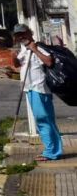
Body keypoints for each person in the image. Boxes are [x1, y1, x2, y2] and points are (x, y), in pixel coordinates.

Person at [14, 23, 63, 161]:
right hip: (30, 89)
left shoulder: (38, 47)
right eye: (18, 35)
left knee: (43, 120)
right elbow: (18, 65)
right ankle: (53, 150)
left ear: (30, 33)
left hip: (39, 89)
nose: (20, 37)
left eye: (23, 33)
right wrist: (14, 59)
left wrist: (35, 50)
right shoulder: (23, 50)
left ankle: (51, 152)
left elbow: (49, 62)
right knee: (45, 120)